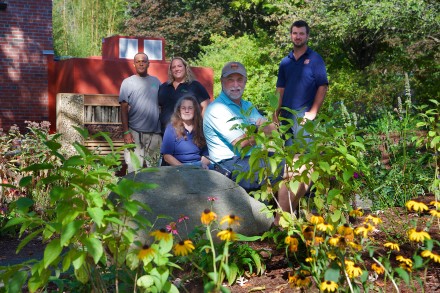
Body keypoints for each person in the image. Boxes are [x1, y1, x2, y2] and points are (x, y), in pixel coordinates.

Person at [203, 62, 309, 222]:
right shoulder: (217, 109)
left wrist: (254, 130)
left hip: (253, 158)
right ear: (222, 82)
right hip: (230, 166)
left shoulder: (247, 105)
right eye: (230, 80)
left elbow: (274, 130)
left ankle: (283, 219)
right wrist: (258, 128)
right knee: (296, 168)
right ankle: (281, 224)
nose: (235, 85)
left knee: (305, 163)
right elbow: (241, 143)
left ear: (245, 82)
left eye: (240, 80)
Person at [275, 20, 328, 146]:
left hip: (304, 117)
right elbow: (280, 90)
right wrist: (275, 114)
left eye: (301, 33)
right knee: (287, 158)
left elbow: (323, 86)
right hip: (285, 116)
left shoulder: (315, 59)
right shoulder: (285, 62)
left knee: (305, 158)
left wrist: (313, 112)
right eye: (295, 33)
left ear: (307, 36)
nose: (298, 37)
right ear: (291, 35)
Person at [119, 52, 162, 172]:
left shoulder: (156, 82)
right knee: (134, 170)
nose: (141, 63)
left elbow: (162, 104)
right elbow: (123, 108)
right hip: (134, 133)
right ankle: (134, 192)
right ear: (134, 64)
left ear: (149, 64)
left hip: (155, 134)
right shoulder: (127, 83)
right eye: (138, 61)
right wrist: (126, 132)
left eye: (144, 61)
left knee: (154, 171)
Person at [158, 57, 211, 134]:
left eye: (179, 66)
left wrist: (201, 127)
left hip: (188, 133)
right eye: (173, 67)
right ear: (170, 70)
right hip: (165, 133)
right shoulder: (164, 87)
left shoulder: (195, 86)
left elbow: (206, 106)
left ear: (185, 68)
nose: (176, 69)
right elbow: (159, 107)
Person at [160, 95, 211, 169]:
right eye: (183, 108)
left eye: (190, 108)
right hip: (178, 167)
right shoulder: (171, 128)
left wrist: (203, 164)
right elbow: (167, 156)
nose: (186, 111)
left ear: (195, 110)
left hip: (198, 165)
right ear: (179, 111)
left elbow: (206, 154)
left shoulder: (201, 128)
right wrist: (184, 168)